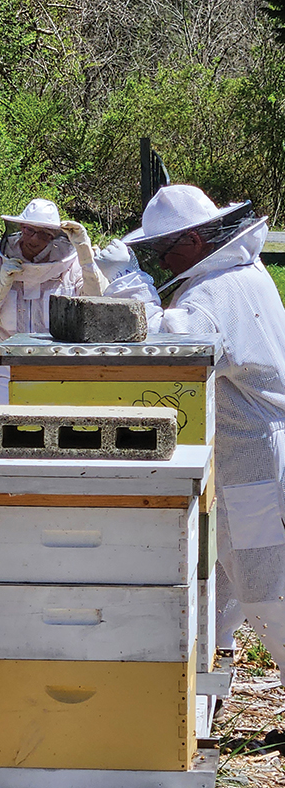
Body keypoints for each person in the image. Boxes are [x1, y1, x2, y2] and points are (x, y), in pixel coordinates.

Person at [96, 183, 285, 683]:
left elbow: (172, 347)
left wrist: (130, 285)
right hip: (255, 453)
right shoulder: (244, 271)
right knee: (229, 575)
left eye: (164, 249)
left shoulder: (215, 291)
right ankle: (206, 682)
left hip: (255, 464)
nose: (162, 260)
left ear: (196, 240)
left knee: (267, 588)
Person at [0, 198, 107, 405]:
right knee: (9, 435)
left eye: (44, 235)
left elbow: (97, 305)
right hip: (6, 372)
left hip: (59, 371)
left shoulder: (71, 264)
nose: (34, 239)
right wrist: (1, 285)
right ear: (21, 227)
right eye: (30, 230)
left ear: (54, 237)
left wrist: (86, 256)